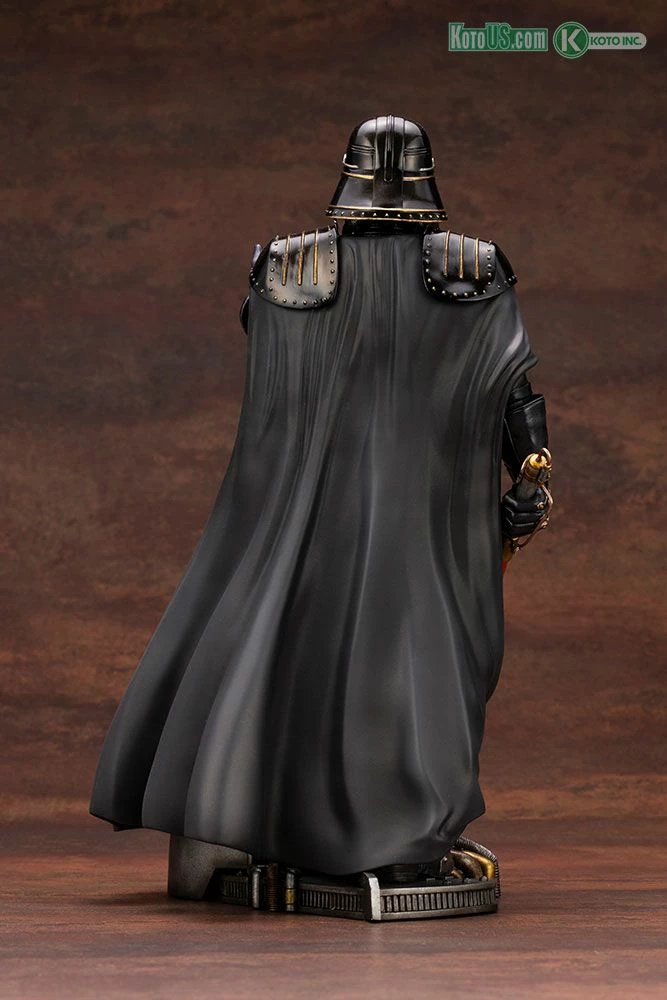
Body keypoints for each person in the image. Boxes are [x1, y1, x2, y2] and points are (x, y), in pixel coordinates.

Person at [90, 115, 550, 898]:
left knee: (296, 649)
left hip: (331, 515)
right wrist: (531, 473)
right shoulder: (470, 268)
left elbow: (507, 388)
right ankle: (389, 837)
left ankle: (323, 828)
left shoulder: (286, 268)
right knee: (414, 664)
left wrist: (528, 471)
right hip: (413, 519)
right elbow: (515, 396)